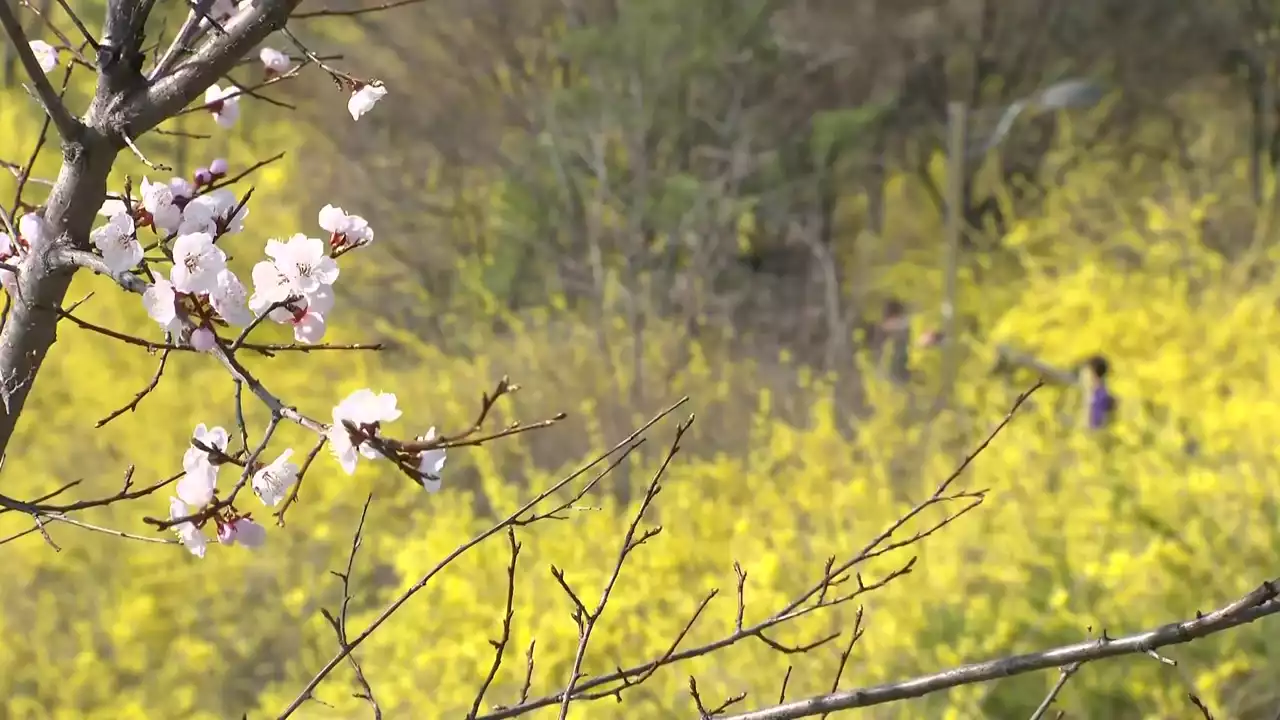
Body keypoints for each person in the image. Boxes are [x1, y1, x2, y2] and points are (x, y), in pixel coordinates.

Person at [1079, 354, 1117, 430]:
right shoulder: (1094, 395)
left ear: (1093, 375)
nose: (1082, 377)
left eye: (1085, 373)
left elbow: (1095, 427)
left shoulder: (1100, 398)